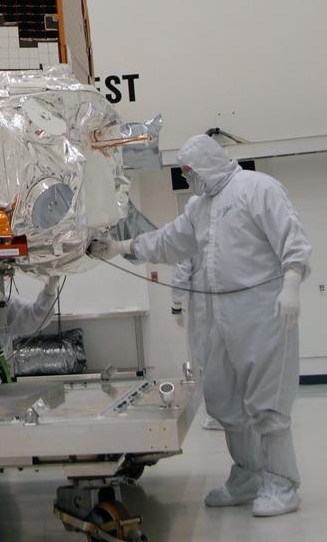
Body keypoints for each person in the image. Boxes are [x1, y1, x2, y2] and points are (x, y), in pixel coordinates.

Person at [89, 134, 310, 518]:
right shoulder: (199, 207)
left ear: (207, 162)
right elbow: (169, 242)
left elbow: (292, 237)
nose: (189, 179)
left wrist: (292, 282)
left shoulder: (256, 188)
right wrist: (121, 249)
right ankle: (247, 476)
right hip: (215, 315)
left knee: (266, 402)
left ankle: (282, 484)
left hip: (259, 311)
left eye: (191, 171)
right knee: (225, 400)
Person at [170, 255, 221, 429]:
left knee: (209, 364)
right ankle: (232, 414)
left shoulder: (191, 234)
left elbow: (181, 273)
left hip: (204, 311)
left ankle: (217, 417)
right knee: (228, 362)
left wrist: (176, 305)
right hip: (229, 308)